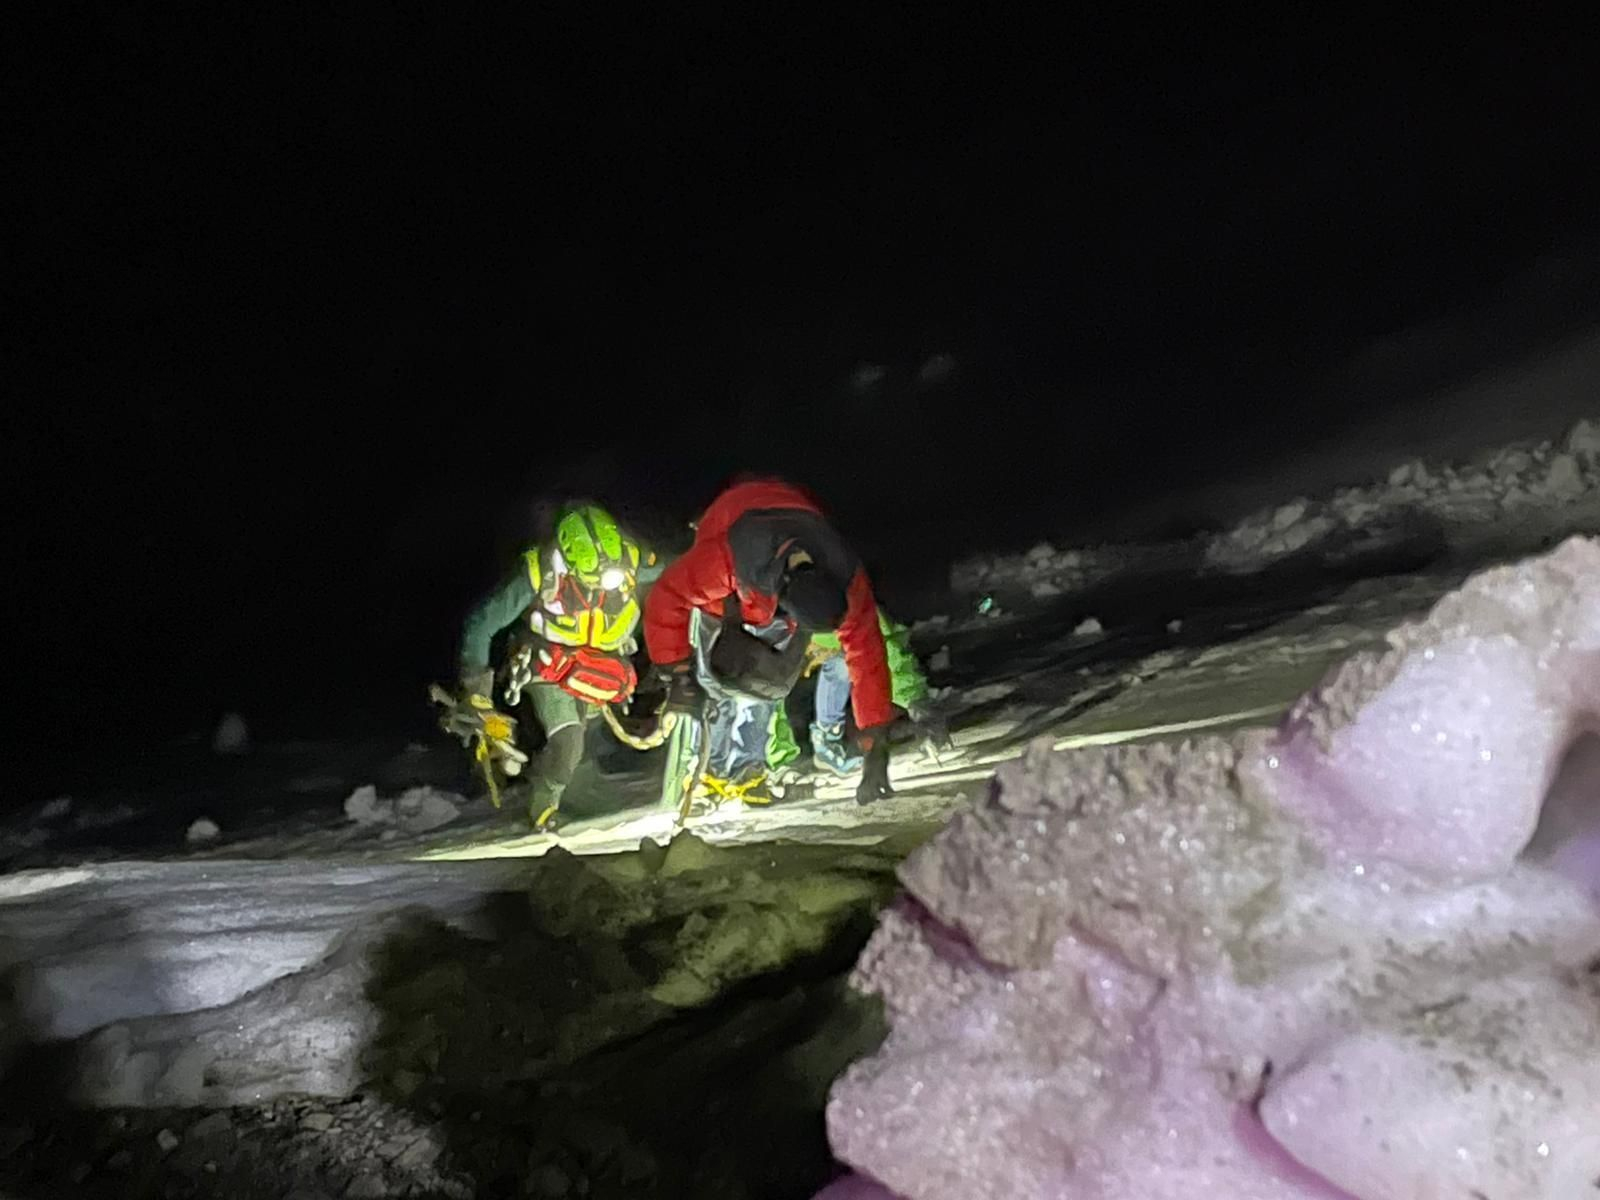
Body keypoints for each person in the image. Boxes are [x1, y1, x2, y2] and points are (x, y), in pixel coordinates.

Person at [643, 477, 895, 806]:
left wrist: (876, 742)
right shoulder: (724, 560)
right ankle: (707, 770)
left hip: (782, 570)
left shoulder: (847, 580)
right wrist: (675, 671)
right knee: (711, 686)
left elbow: (867, 655)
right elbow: (667, 597)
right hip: (727, 593)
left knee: (762, 684)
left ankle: (750, 766)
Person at [457, 503, 653, 830]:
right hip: (548, 668)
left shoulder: (632, 563)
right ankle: (543, 809)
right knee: (568, 739)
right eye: (590, 581)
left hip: (599, 669)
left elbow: (676, 572)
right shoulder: (536, 574)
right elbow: (482, 624)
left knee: (591, 737)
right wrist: (477, 691)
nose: (599, 586)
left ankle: (581, 786)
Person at [766, 608, 949, 778]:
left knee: (842, 660)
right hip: (767, 626)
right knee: (761, 683)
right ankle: (762, 765)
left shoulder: (853, 612)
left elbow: (883, 651)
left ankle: (825, 744)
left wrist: (917, 704)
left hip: (810, 620)